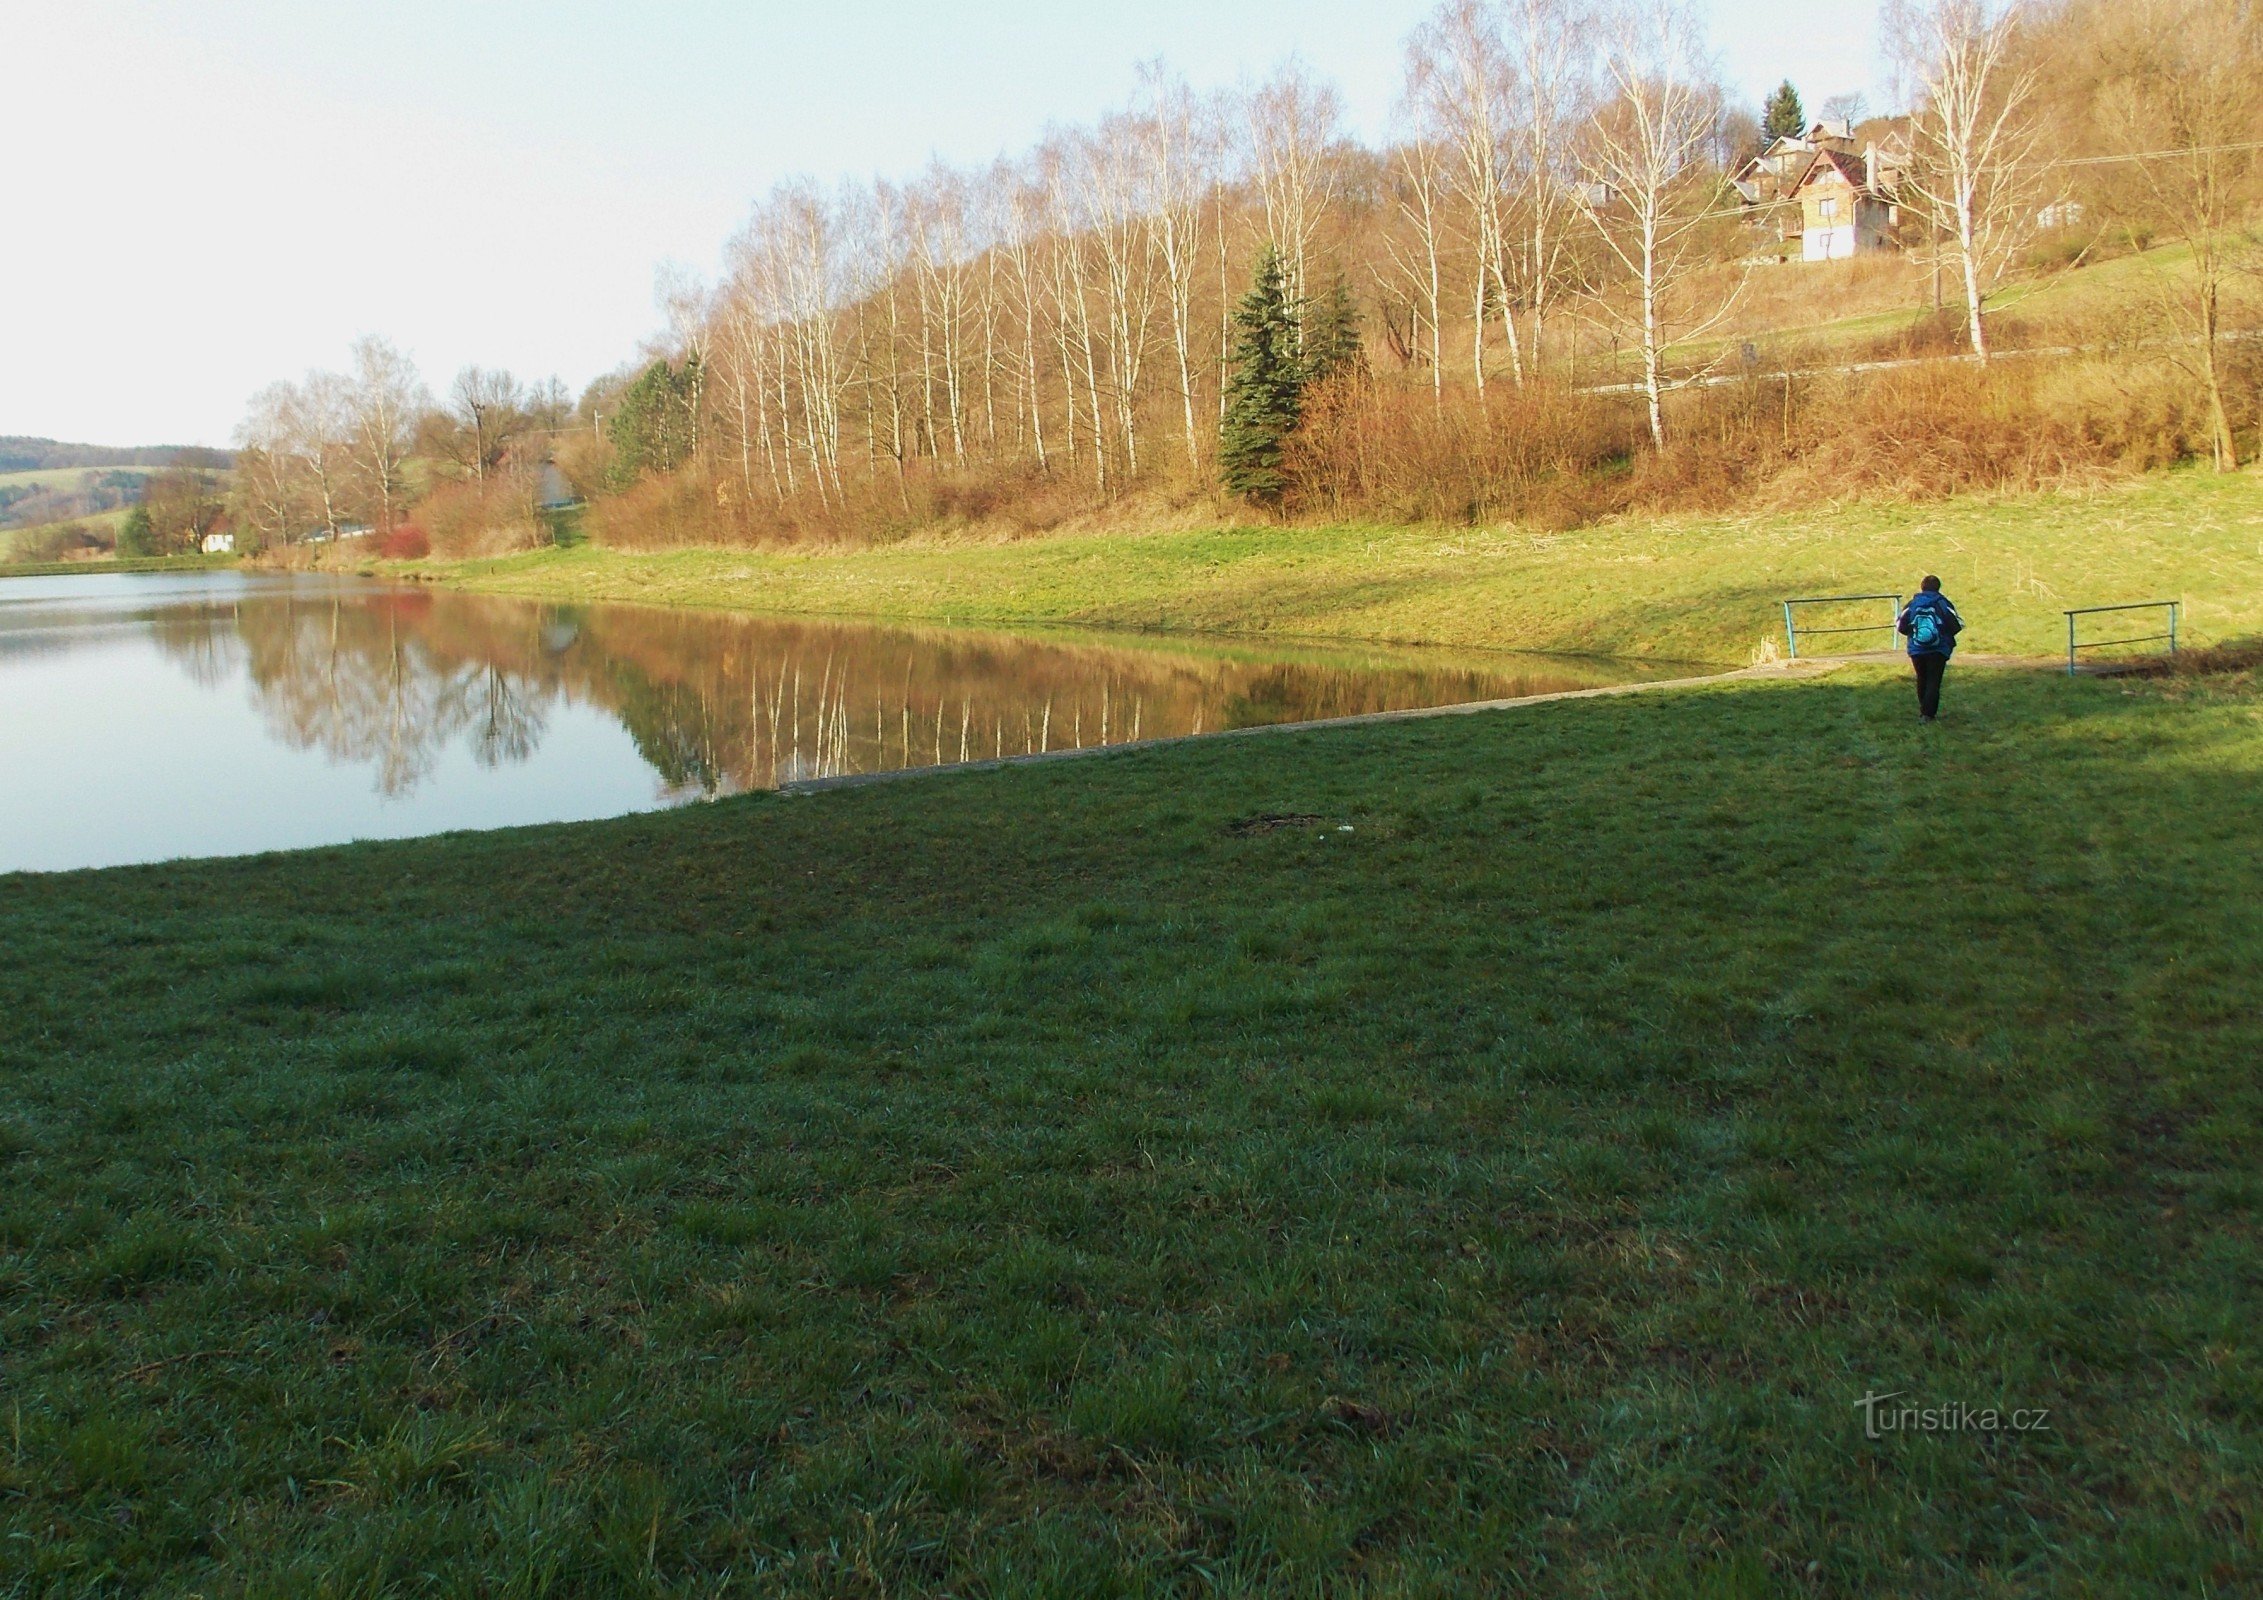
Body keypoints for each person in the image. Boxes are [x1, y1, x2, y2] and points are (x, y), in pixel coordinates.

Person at [1897, 576, 1963, 722]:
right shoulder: (1943, 603)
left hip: (1917, 649)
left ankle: (1924, 710)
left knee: (1922, 678)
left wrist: (1913, 634)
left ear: (1922, 587)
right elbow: (1956, 625)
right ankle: (1928, 714)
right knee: (1934, 681)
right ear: (1938, 587)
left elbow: (1900, 625)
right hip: (1938, 650)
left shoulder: (1913, 604)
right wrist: (1944, 637)